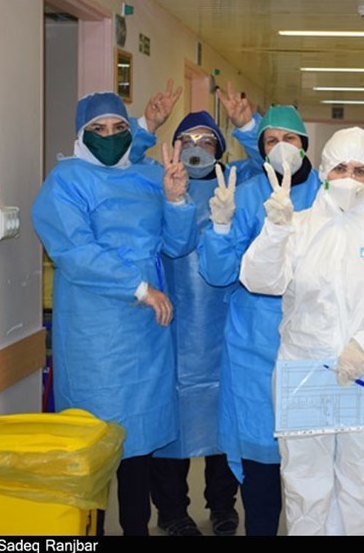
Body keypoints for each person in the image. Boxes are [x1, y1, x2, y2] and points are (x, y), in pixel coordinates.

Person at [239, 127, 364, 535]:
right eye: (340, 168)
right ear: (323, 171)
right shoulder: (298, 227)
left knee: (363, 489)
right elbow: (259, 280)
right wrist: (275, 231)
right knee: (306, 489)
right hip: (306, 372)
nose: (349, 178)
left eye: (359, 170)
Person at [31, 91, 195, 536]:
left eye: (119, 127)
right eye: (98, 129)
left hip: (146, 331)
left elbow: (177, 245)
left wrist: (176, 201)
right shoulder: (66, 181)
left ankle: (136, 529)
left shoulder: (148, 176)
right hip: (95, 331)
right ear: (81, 134)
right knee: (95, 447)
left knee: (137, 446)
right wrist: (138, 288)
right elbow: (75, 252)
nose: (109, 136)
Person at [197, 104, 322, 535]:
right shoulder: (247, 195)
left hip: (315, 342)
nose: (281, 147)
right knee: (261, 470)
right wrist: (220, 226)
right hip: (254, 345)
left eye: (289, 139)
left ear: (305, 145)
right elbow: (218, 273)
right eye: (271, 140)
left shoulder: (329, 194)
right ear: (261, 149)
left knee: (314, 471)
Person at [147, 111, 258, 537]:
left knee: (223, 418)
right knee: (171, 420)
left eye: (207, 141)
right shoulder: (157, 184)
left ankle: (223, 506)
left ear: (221, 149)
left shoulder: (238, 183)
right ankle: (172, 511)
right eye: (187, 140)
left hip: (224, 322)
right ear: (173, 147)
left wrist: (249, 126)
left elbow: (276, 162)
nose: (197, 148)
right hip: (173, 325)